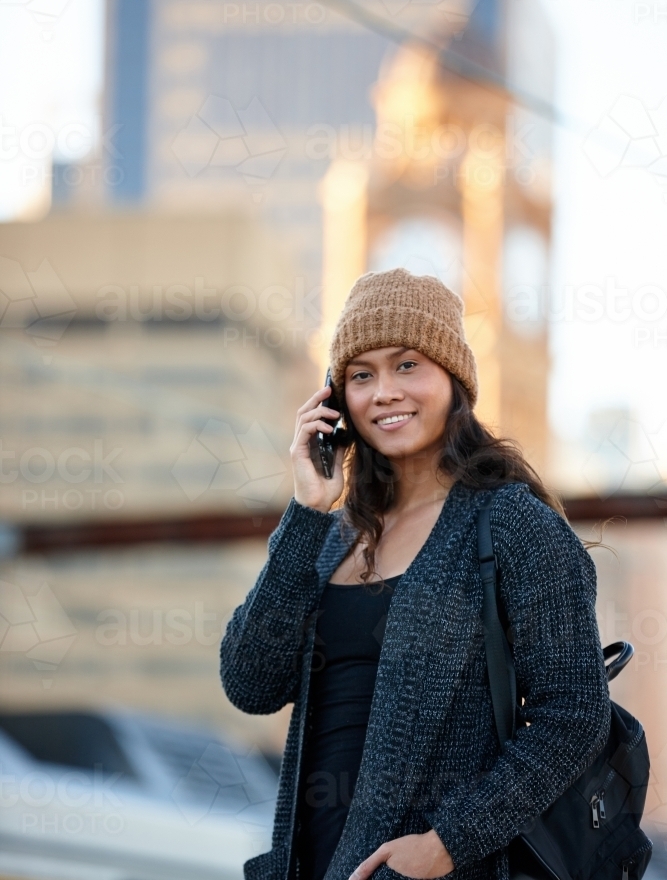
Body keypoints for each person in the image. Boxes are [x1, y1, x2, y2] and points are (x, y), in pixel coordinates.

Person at [220, 267, 612, 880]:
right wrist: (304, 513)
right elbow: (250, 683)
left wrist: (446, 844)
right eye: (360, 375)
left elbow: (574, 714)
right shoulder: (334, 535)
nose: (383, 392)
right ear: (334, 400)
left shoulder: (512, 523)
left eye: (408, 365)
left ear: (453, 379)